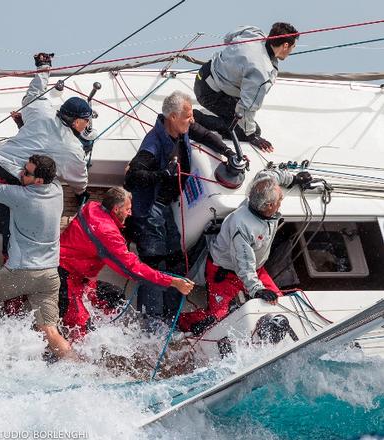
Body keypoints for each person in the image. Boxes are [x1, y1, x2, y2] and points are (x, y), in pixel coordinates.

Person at [123, 90, 233, 330]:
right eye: (188, 116)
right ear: (172, 117)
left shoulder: (182, 128)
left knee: (176, 262)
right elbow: (131, 179)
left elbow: (204, 134)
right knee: (154, 264)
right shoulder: (153, 144)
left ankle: (170, 320)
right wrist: (162, 175)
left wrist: (228, 152)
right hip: (150, 208)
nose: (191, 120)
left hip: (167, 207)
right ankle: (150, 326)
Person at [0, 52, 91, 258]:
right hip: (15, 182)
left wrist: (44, 67)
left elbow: (35, 89)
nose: (87, 124)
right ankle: (8, 254)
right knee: (22, 213)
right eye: (87, 120)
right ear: (78, 122)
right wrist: (81, 194)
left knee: (4, 185)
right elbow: (79, 180)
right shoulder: (73, 149)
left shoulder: (42, 109)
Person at [0, 143, 73, 360]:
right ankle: (79, 367)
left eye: (27, 172)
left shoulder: (19, 195)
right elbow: (28, 174)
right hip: (50, 274)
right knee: (50, 331)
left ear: (39, 180)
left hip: (21, 272)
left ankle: (3, 353)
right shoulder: (57, 190)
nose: (21, 173)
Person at [178, 168, 312, 335]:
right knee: (219, 317)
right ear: (269, 206)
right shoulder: (242, 227)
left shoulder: (260, 191)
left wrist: (293, 179)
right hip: (225, 273)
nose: (282, 198)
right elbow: (244, 265)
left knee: (280, 303)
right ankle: (181, 322)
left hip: (257, 268)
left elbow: (267, 174)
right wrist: (257, 289)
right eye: (280, 198)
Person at [58, 187, 194, 340]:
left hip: (77, 275)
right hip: (64, 279)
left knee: (114, 296)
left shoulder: (92, 206)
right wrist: (173, 282)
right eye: (128, 209)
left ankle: (99, 329)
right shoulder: (107, 233)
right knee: (80, 330)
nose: (130, 213)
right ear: (116, 208)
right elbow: (133, 269)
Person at [193, 22, 299, 152]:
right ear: (285, 45)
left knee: (243, 122)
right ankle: (196, 118)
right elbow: (246, 107)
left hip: (204, 72)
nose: (291, 52)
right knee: (247, 131)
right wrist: (251, 135)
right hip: (208, 93)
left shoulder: (254, 32)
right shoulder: (261, 72)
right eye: (293, 47)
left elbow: (228, 37)